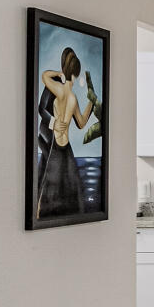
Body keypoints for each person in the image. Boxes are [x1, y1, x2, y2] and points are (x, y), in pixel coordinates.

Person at [33, 46, 98, 221]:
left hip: (56, 143)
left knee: (48, 187)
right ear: (76, 74)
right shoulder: (73, 97)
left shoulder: (58, 90)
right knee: (73, 187)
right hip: (66, 146)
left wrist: (58, 73)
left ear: (65, 70)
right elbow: (82, 123)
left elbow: (44, 75)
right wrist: (91, 104)